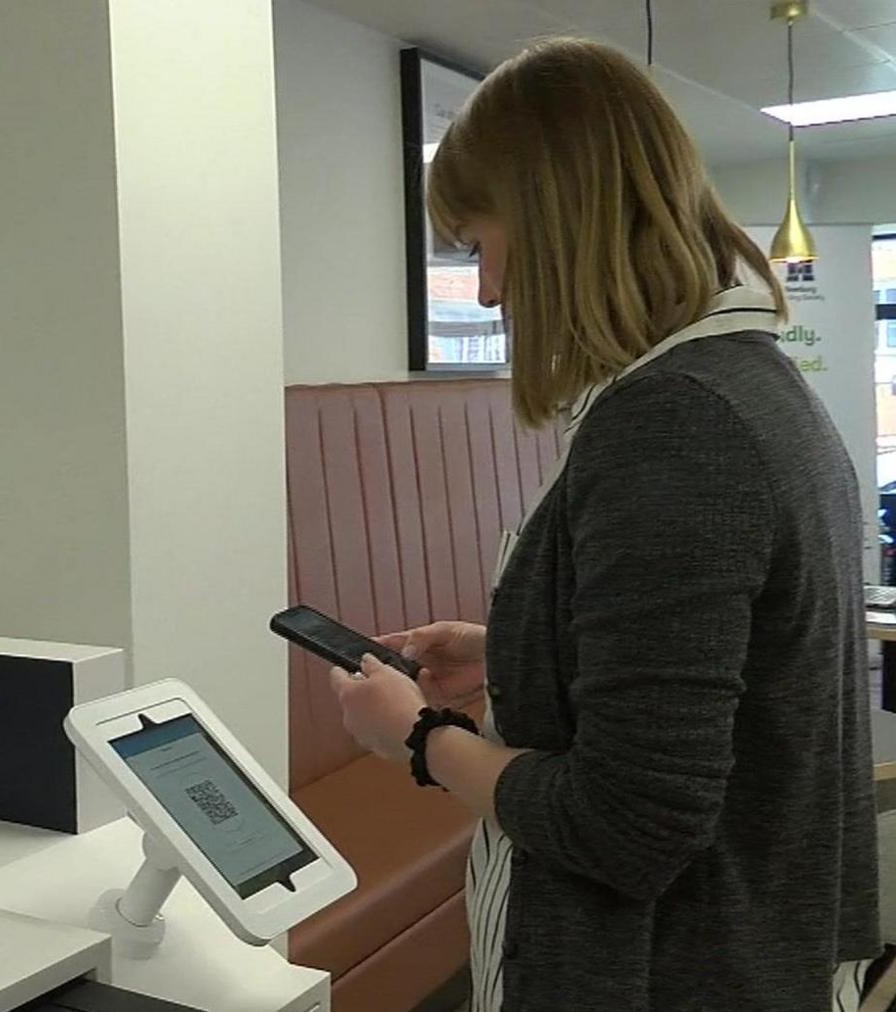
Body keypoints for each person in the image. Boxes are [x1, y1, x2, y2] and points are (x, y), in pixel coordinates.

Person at [326, 38, 882, 1011]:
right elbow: (727, 666)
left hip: (662, 974)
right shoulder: (751, 387)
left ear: (555, 226)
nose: (489, 290)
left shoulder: (676, 425)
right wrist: (514, 650)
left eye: (480, 244)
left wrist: (419, 738)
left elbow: (629, 823)